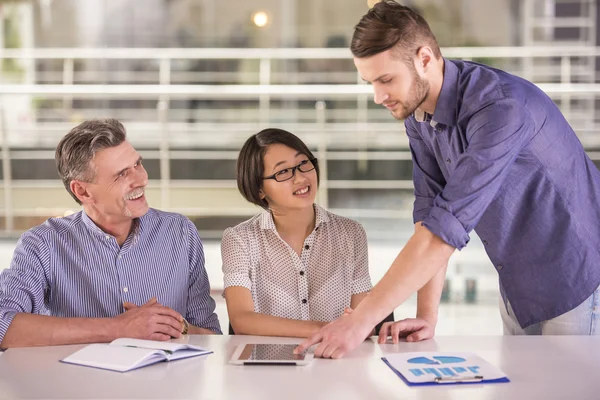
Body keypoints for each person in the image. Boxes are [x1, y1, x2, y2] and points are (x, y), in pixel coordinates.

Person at [295, 1, 600, 359]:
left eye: (386, 79)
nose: (378, 96)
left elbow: (446, 229)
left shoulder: (500, 109)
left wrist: (361, 320)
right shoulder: (418, 114)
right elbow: (430, 213)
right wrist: (427, 316)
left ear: (424, 58)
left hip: (577, 277)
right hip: (518, 282)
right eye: (370, 83)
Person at [0, 118, 221, 349]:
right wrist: (119, 328)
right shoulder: (43, 244)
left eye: (138, 164)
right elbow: (3, 327)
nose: (141, 179)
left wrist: (173, 327)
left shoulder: (180, 233)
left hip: (165, 381)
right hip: (77, 383)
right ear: (82, 191)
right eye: (122, 174)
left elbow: (211, 335)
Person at [221, 128, 374, 337]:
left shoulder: (351, 234)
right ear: (259, 189)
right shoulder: (239, 239)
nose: (300, 178)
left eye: (303, 163)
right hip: (269, 368)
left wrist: (355, 326)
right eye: (283, 172)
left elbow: (365, 320)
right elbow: (242, 320)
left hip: (337, 364)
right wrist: (326, 329)